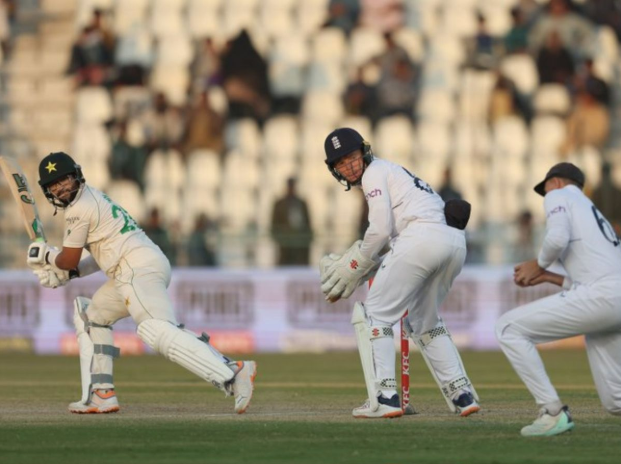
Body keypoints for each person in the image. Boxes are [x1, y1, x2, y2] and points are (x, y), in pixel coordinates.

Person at [26, 152, 257, 414]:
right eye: (54, 184)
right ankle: (102, 393)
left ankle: (232, 372)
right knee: (92, 316)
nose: (61, 187)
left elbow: (67, 259)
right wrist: (68, 272)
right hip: (134, 267)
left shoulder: (78, 209)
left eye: (64, 179)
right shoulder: (91, 198)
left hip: (135, 269)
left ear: (76, 176)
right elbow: (92, 258)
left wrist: (45, 255)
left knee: (155, 330)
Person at [320, 128, 480, 419]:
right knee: (424, 321)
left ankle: (386, 397)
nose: (350, 166)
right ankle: (462, 393)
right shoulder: (393, 173)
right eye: (341, 163)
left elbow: (380, 230)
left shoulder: (373, 173)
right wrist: (364, 261)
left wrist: (355, 264)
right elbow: (391, 237)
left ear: (364, 153)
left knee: (375, 315)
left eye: (352, 157)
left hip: (421, 239)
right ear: (335, 170)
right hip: (453, 242)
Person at [496, 162, 621, 437]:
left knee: (508, 328)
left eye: (546, 188)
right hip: (612, 299)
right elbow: (598, 277)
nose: (546, 195)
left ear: (556, 182)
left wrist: (537, 265)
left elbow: (557, 238)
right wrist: (550, 277)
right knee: (616, 400)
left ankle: (552, 413)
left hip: (602, 297)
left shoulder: (558, 195)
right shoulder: (590, 210)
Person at [271, 178, 313, 266]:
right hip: (285, 247)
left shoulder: (301, 203)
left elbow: (308, 224)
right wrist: (281, 237)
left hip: (300, 247)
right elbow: (274, 225)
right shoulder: (279, 204)